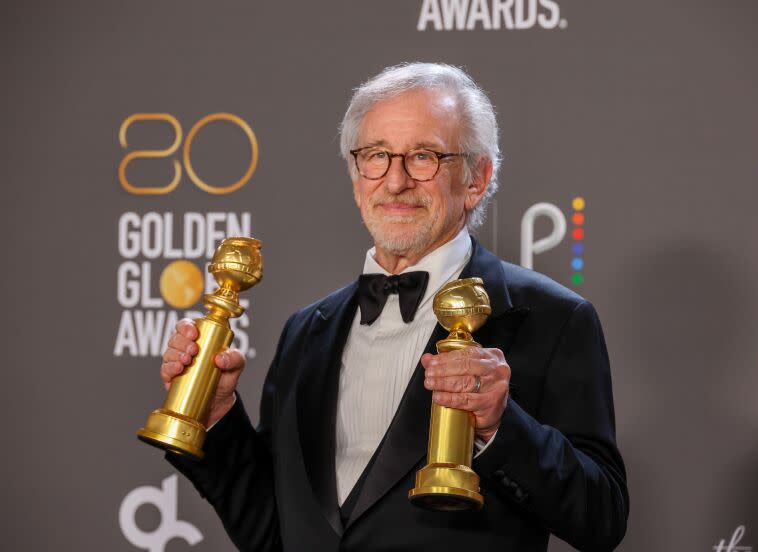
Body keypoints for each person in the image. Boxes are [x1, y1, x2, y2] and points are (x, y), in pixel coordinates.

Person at [160, 62, 628, 552]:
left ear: (476, 177)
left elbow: (602, 519)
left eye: (424, 156)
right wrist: (214, 417)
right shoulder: (306, 330)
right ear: (355, 173)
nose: (396, 181)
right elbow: (273, 531)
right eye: (377, 156)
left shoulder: (551, 319)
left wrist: (499, 426)